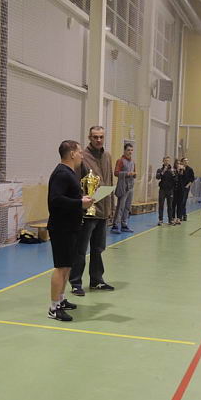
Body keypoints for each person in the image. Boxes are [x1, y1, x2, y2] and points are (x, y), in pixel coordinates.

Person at [47, 140, 94, 321]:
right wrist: (80, 203)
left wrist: (82, 199)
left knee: (67, 266)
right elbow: (55, 199)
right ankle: (53, 308)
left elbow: (68, 197)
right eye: (80, 152)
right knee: (60, 267)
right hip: (61, 228)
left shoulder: (69, 173)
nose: (82, 155)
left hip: (70, 227)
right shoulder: (62, 173)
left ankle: (61, 299)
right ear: (72, 153)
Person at [70, 126, 115, 296]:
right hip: (87, 212)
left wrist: (111, 207)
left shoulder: (107, 156)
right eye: (95, 137)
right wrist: (81, 202)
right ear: (89, 137)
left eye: (101, 137)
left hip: (103, 211)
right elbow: (76, 183)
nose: (98, 140)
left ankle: (96, 280)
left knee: (98, 249)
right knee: (80, 250)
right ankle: (76, 283)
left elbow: (109, 181)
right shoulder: (82, 157)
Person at [111, 142, 136, 234]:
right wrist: (127, 173)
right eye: (128, 150)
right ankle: (115, 225)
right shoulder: (120, 161)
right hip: (123, 186)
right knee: (120, 207)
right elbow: (116, 173)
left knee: (127, 207)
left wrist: (134, 175)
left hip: (131, 187)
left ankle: (124, 224)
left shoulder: (133, 162)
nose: (130, 152)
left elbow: (134, 172)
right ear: (124, 151)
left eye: (131, 150)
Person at [156, 156, 176, 226]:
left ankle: (170, 220)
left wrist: (173, 174)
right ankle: (160, 220)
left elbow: (176, 179)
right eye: (165, 160)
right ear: (163, 161)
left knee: (170, 205)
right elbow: (157, 177)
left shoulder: (172, 170)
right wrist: (163, 171)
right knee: (161, 205)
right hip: (162, 190)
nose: (167, 162)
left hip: (170, 190)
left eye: (168, 160)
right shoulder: (160, 170)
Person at [176, 158, 194, 222]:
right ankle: (179, 216)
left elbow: (192, 179)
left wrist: (187, 186)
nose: (186, 162)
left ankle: (183, 215)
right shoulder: (179, 168)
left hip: (186, 187)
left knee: (183, 201)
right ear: (182, 162)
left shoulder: (190, 169)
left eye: (187, 161)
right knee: (179, 202)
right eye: (184, 161)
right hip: (179, 187)